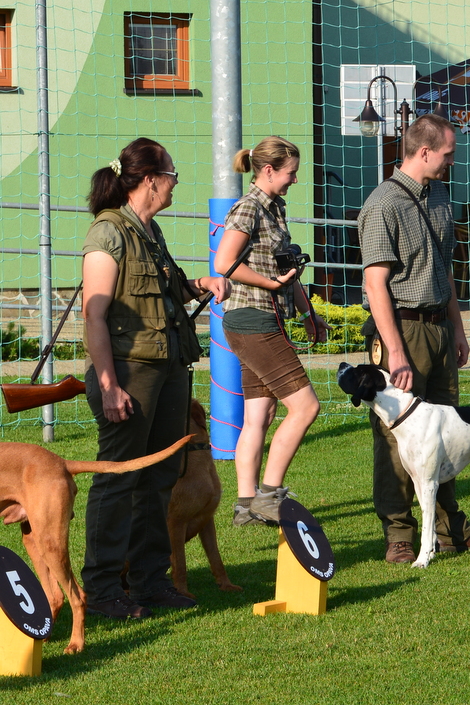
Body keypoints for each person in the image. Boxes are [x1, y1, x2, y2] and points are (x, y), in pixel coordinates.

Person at [80, 138, 230, 618]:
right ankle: (102, 590)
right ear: (150, 180)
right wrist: (109, 386)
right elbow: (93, 315)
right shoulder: (109, 231)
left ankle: (149, 582)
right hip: (129, 372)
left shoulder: (150, 230)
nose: (175, 185)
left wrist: (200, 285)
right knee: (118, 479)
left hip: (169, 368)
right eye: (172, 177)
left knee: (161, 475)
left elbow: (162, 293)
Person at [359, 113, 470, 564]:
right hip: (402, 331)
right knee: (396, 438)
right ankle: (399, 534)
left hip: (439, 328)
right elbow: (375, 284)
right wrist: (395, 351)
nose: (452, 161)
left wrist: (458, 328)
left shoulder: (439, 195)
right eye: (447, 154)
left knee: (448, 433)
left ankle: (448, 530)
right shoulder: (383, 204)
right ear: (424, 152)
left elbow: (445, 267)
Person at [214, 136, 329, 527]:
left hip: (262, 318)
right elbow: (224, 262)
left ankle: (246, 506)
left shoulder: (274, 208)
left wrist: (308, 313)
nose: (295, 180)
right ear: (268, 170)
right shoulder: (248, 208)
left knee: (259, 415)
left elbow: (285, 270)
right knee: (306, 407)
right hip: (252, 320)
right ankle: (269, 495)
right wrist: (270, 285)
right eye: (291, 173)